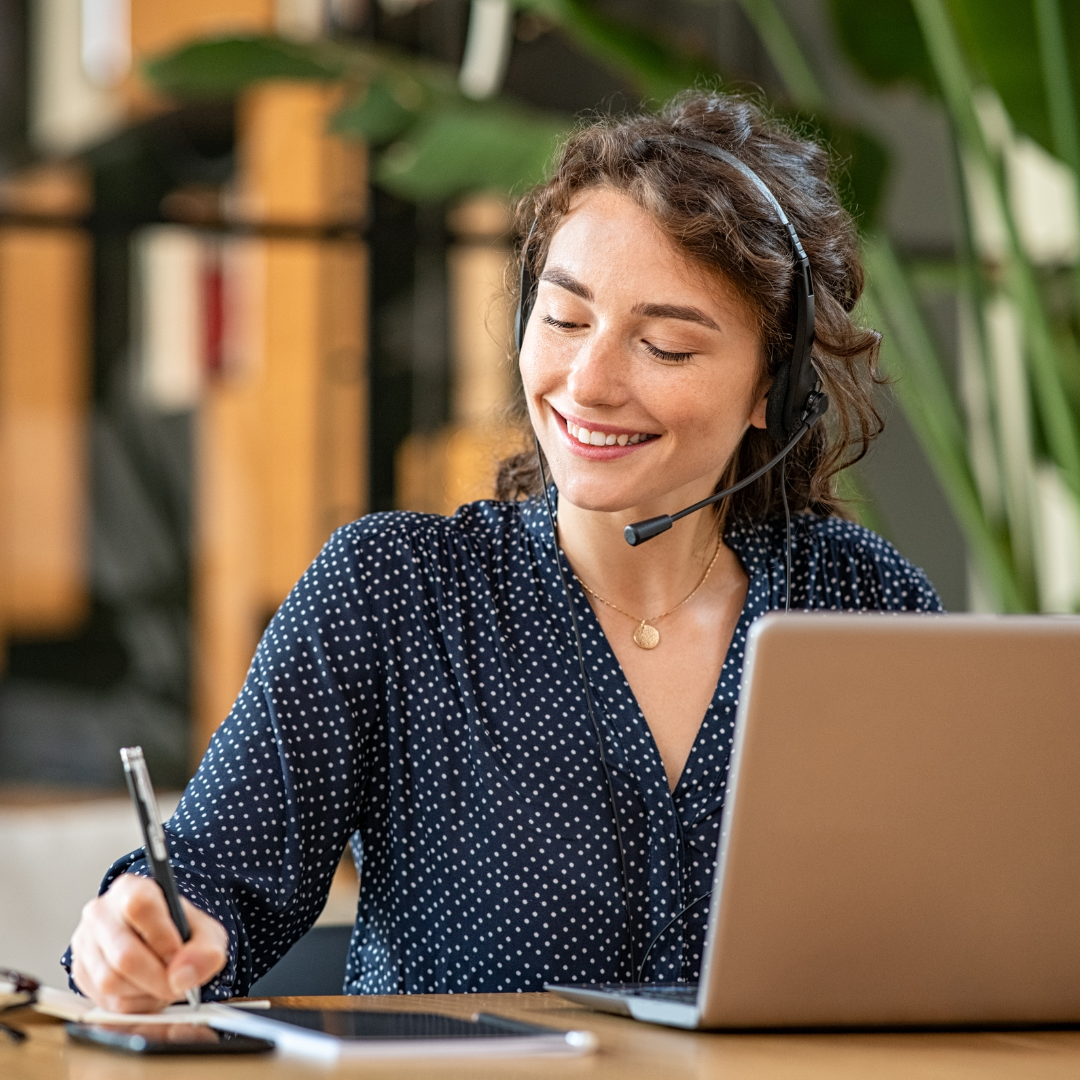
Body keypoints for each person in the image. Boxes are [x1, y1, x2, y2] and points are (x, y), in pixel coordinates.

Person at [66, 91, 941, 1013]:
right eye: (564, 321)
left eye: (666, 347)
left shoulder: (863, 605)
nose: (589, 383)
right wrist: (135, 936)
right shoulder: (393, 593)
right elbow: (203, 891)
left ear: (776, 384)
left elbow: (962, 918)